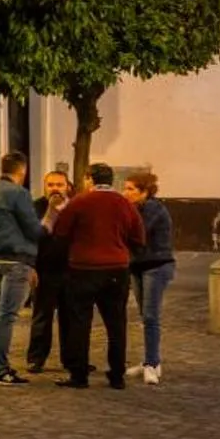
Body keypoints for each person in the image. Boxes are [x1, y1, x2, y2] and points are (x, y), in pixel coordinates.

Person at [46, 161, 146, 390]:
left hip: (83, 268)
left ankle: (79, 374)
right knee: (116, 324)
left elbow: (60, 232)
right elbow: (139, 237)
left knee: (80, 323)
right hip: (116, 270)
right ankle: (117, 375)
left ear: (89, 179)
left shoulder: (80, 202)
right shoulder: (125, 204)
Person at [0, 152, 41, 386]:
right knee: (7, 316)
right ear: (22, 171)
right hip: (16, 261)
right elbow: (34, 230)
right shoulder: (18, 194)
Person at [124, 168, 176, 385]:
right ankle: (149, 359)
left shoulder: (153, 208)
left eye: (130, 189)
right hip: (138, 267)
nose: (125, 192)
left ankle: (152, 364)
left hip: (156, 266)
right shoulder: (134, 208)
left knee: (151, 317)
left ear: (144, 191)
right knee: (145, 316)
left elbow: (138, 234)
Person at [22, 168, 73, 373]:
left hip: (71, 269)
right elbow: (30, 238)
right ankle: (36, 358)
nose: (55, 189)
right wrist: (31, 266)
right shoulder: (34, 207)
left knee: (70, 317)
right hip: (44, 270)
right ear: (45, 186)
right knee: (42, 317)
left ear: (67, 187)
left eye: (59, 184)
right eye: (51, 184)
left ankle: (71, 359)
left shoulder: (75, 207)